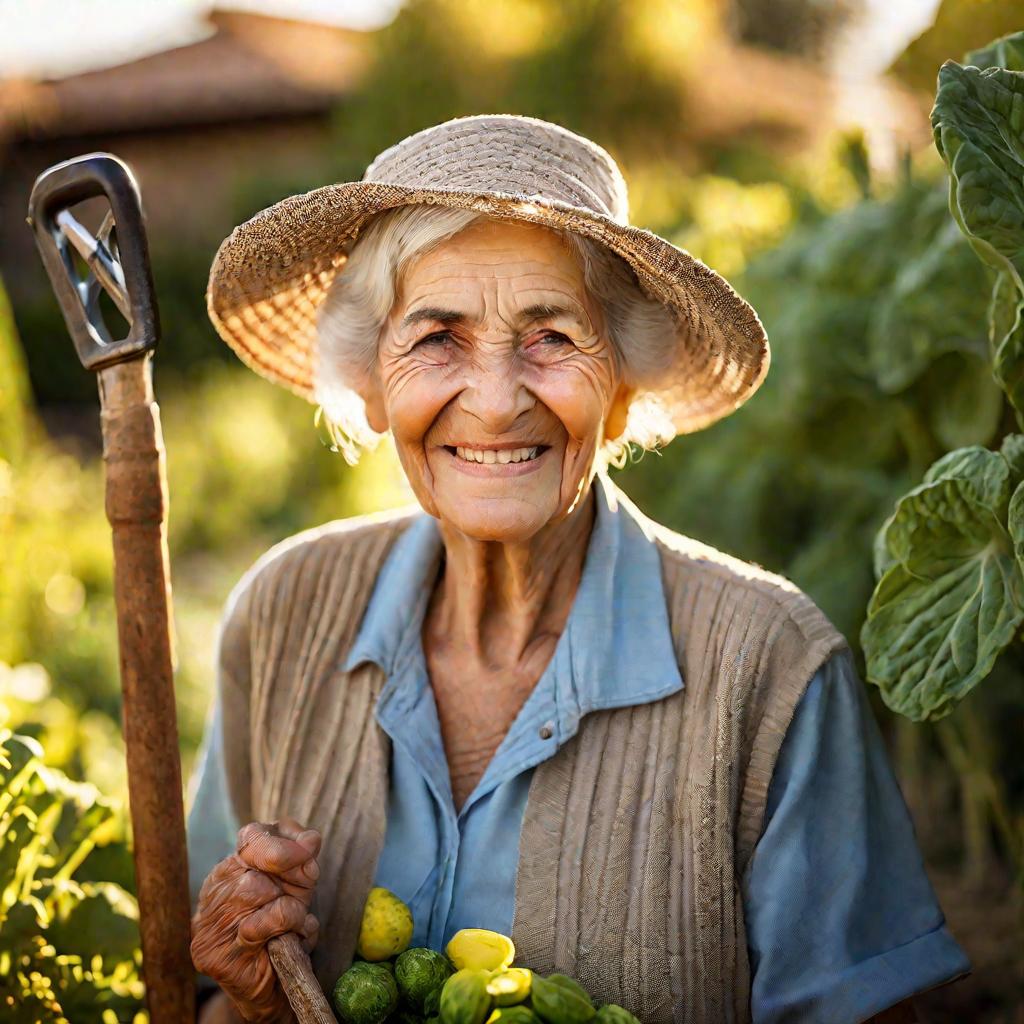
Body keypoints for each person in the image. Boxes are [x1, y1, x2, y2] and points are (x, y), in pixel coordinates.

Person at [186, 114, 970, 1024]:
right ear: (368, 383)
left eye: (551, 336)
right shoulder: (283, 611)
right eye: (437, 335)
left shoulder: (769, 667)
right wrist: (251, 1000)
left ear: (627, 386)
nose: (495, 398)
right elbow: (202, 998)